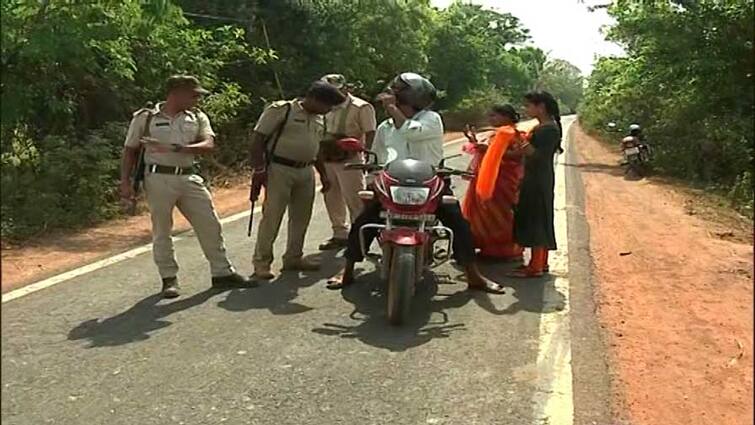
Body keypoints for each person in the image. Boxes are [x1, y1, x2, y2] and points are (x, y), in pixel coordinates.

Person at [326, 72, 505, 294]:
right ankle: (348, 268)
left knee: (459, 224)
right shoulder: (385, 127)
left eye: (394, 93)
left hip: (430, 182)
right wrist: (372, 179)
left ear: (407, 96)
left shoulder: (431, 119)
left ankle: (473, 275)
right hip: (392, 184)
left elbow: (411, 133)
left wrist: (392, 109)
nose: (388, 97)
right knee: (363, 221)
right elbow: (379, 156)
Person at [119, 75, 253, 298]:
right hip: (158, 178)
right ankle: (169, 278)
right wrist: (125, 183)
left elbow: (208, 144)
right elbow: (130, 150)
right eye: (193, 94)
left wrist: (174, 147)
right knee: (162, 229)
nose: (197, 99)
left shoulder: (197, 116)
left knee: (210, 223)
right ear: (176, 92)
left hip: (188, 176)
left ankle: (222, 272)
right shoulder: (146, 118)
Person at [248, 81, 346, 280]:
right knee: (272, 216)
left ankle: (294, 257)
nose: (328, 111)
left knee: (301, 217)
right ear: (315, 99)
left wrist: (323, 175)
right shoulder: (282, 110)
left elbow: (316, 148)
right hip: (279, 169)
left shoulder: (319, 119)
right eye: (327, 106)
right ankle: (262, 262)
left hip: (306, 170)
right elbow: (258, 139)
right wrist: (259, 169)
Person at [317, 74, 377, 251]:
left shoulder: (361, 107)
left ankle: (358, 236)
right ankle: (339, 234)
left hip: (350, 158)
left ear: (344, 88)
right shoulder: (324, 107)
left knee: (355, 198)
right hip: (327, 156)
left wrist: (367, 157)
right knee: (331, 195)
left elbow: (370, 132)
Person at [461, 104, 525, 261]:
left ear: (506, 117)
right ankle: (487, 248)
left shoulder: (511, 133)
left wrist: (489, 150)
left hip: (502, 181)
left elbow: (517, 155)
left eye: (494, 116)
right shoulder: (497, 133)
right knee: (485, 214)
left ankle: (504, 251)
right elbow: (490, 152)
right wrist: (475, 142)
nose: (490, 119)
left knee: (500, 215)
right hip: (489, 179)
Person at [510, 91, 563, 278]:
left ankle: (536, 267)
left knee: (536, 220)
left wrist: (519, 139)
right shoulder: (543, 127)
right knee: (537, 218)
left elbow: (536, 155)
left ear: (541, 107)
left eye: (529, 105)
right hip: (537, 177)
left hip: (538, 179)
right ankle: (540, 262)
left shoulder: (548, 130)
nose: (526, 109)